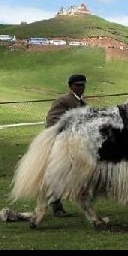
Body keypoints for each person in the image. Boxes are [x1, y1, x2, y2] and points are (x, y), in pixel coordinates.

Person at [44, 73, 88, 217]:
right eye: (77, 85)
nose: (80, 88)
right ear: (70, 86)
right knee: (60, 174)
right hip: (62, 145)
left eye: (82, 85)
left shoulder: (84, 104)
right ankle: (56, 205)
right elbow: (53, 121)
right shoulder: (62, 101)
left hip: (77, 146)